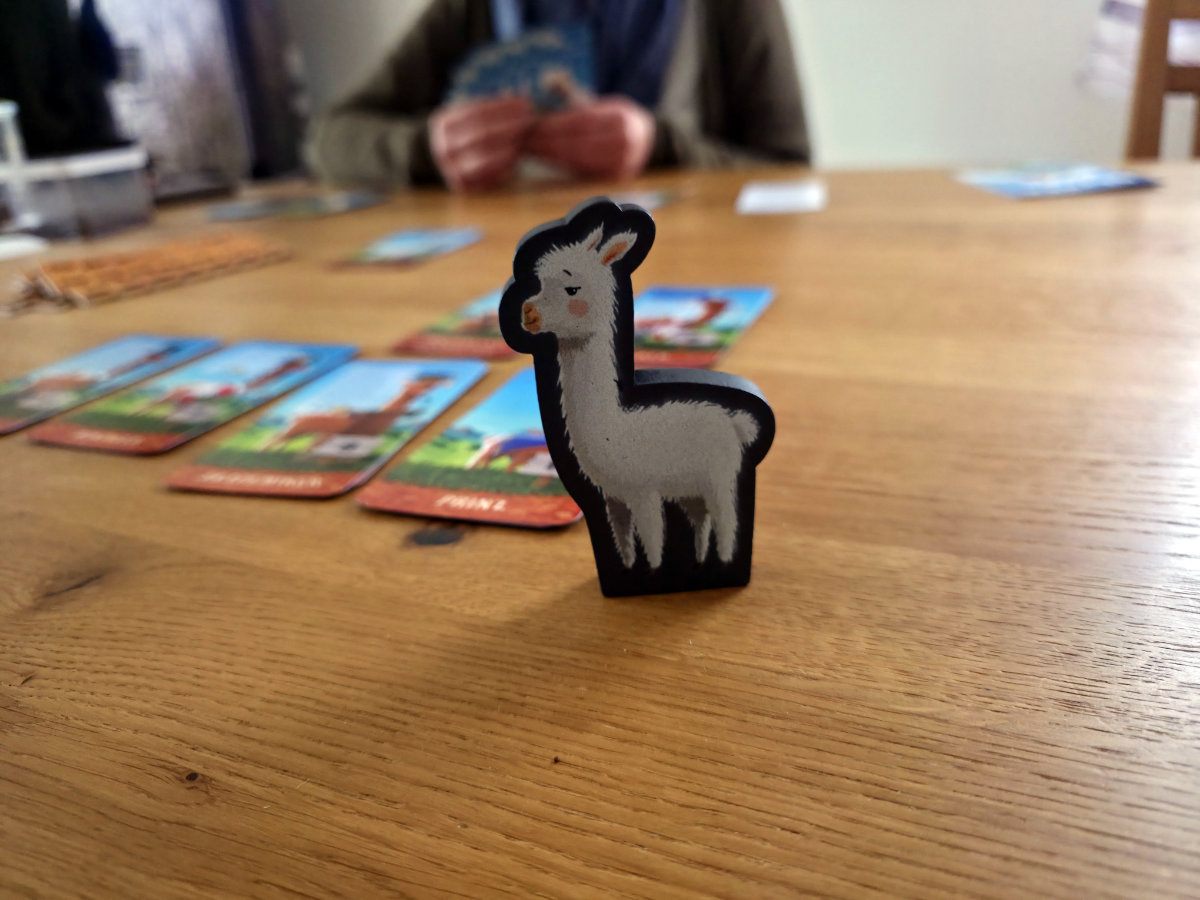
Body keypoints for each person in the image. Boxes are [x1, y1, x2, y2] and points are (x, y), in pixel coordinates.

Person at [304, 0, 810, 191]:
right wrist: (424, 149)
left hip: (690, 268)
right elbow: (329, 137)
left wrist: (659, 146)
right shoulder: (468, 10)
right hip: (509, 274)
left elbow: (790, 169)